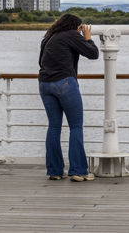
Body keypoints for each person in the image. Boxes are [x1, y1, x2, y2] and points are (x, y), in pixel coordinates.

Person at [38, 14, 99, 182]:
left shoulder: (48, 37)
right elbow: (93, 54)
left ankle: (55, 171)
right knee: (76, 126)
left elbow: (40, 62)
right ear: (75, 26)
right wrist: (87, 37)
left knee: (54, 127)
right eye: (80, 27)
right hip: (64, 83)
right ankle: (78, 171)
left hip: (44, 84)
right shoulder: (72, 35)